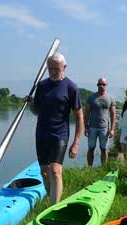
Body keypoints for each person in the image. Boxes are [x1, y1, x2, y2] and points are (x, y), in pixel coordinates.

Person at [26, 53, 83, 204]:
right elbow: (37, 111)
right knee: (44, 172)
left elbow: (79, 117)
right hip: (41, 134)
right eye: (50, 69)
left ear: (64, 67)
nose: (53, 72)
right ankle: (51, 197)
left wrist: (76, 142)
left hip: (60, 134)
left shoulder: (71, 88)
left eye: (56, 69)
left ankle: (53, 207)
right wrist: (31, 104)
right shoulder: (42, 85)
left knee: (55, 171)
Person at [84, 77, 116, 166]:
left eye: (103, 84)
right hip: (92, 128)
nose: (101, 86)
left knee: (104, 149)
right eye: (99, 84)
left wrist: (112, 129)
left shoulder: (110, 98)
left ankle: (103, 168)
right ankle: (89, 168)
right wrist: (86, 127)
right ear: (97, 85)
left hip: (104, 128)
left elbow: (113, 114)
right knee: (91, 148)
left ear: (106, 85)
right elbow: (86, 113)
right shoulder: (91, 98)